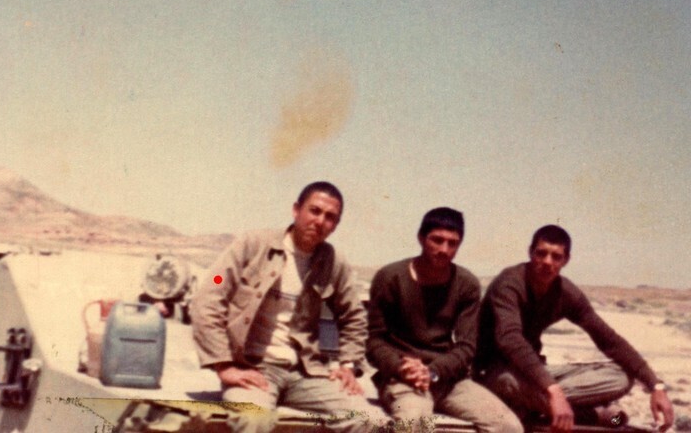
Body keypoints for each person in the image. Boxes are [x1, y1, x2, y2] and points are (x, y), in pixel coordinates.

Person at [190, 181, 389, 433]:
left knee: (369, 420)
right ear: (296, 210)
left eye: (330, 217)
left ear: (335, 225)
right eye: (314, 211)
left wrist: (348, 364)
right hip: (253, 370)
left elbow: (354, 316)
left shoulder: (333, 263)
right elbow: (211, 293)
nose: (320, 221)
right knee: (253, 420)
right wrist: (224, 366)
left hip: (306, 373)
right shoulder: (252, 245)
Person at [476, 224, 675, 433]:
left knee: (622, 377)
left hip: (535, 375)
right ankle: (595, 415)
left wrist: (656, 386)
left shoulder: (565, 292)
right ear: (530, 253)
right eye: (541, 253)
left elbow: (608, 339)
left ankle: (538, 407)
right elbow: (510, 339)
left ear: (566, 260)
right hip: (494, 372)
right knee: (507, 380)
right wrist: (553, 390)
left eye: (556, 256)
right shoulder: (509, 284)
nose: (547, 262)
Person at [366, 207, 523, 433]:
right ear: (421, 238)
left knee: (509, 426)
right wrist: (401, 367)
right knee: (412, 423)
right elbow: (374, 341)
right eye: (437, 240)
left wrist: (433, 372)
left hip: (448, 379)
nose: (444, 249)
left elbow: (467, 346)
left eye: (452, 243)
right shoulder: (390, 277)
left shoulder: (466, 284)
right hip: (402, 378)